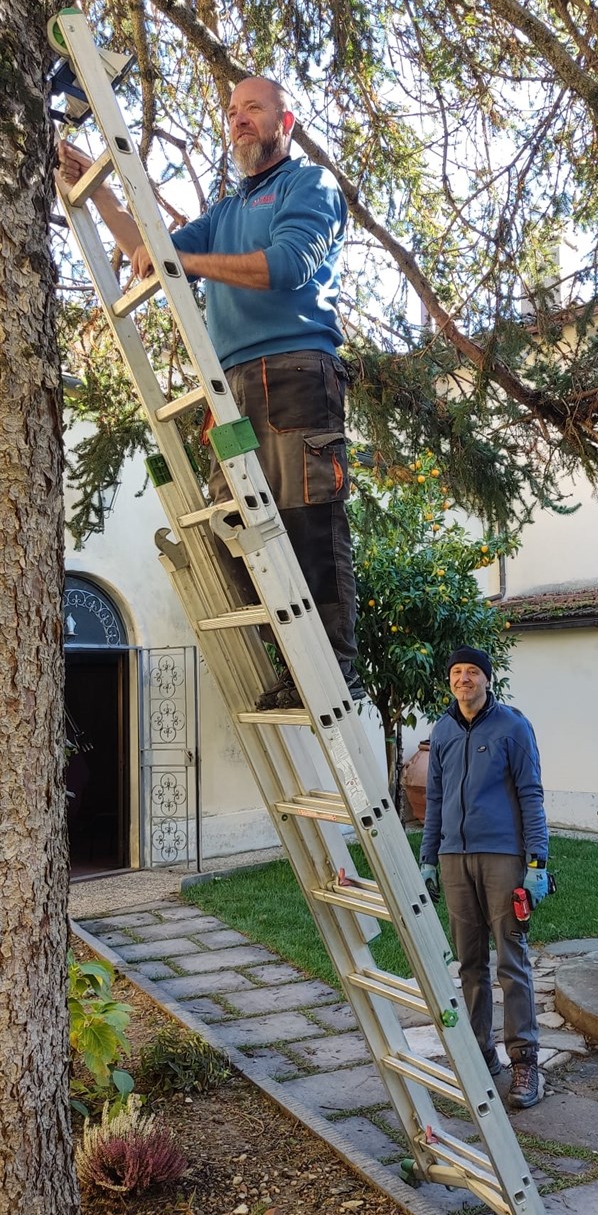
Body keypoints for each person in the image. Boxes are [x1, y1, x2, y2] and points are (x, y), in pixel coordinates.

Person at [57, 77, 362, 710]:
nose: (239, 119)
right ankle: (291, 668)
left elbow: (287, 266)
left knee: (307, 519)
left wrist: (184, 264)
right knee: (238, 528)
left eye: (253, 108)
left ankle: (332, 673)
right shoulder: (226, 212)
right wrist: (98, 191)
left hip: (294, 375)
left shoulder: (308, 185)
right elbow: (149, 253)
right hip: (233, 387)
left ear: (285, 122)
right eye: (232, 111)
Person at [419, 646, 551, 1110]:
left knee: (511, 961)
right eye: (456, 672)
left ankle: (525, 1062)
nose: (463, 679)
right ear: (449, 680)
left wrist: (537, 863)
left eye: (472, 672)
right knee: (469, 964)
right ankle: (481, 1055)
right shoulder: (442, 731)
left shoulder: (513, 727)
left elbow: (531, 794)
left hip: (502, 858)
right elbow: (434, 800)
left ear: (487, 679)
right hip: (454, 859)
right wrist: (429, 858)